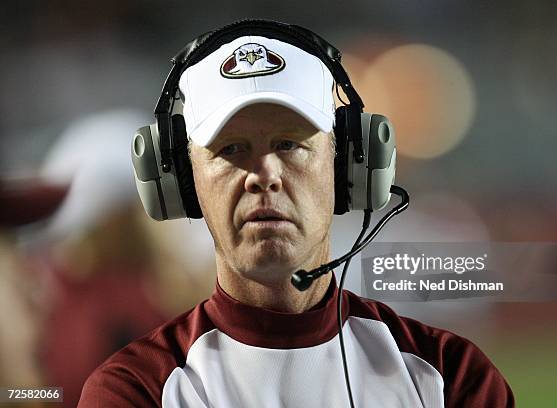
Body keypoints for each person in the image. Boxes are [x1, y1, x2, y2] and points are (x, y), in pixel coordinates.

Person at [79, 20, 514, 407]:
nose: (263, 175)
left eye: (290, 144)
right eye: (231, 149)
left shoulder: (453, 377)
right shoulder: (133, 391)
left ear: (347, 166)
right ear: (183, 183)